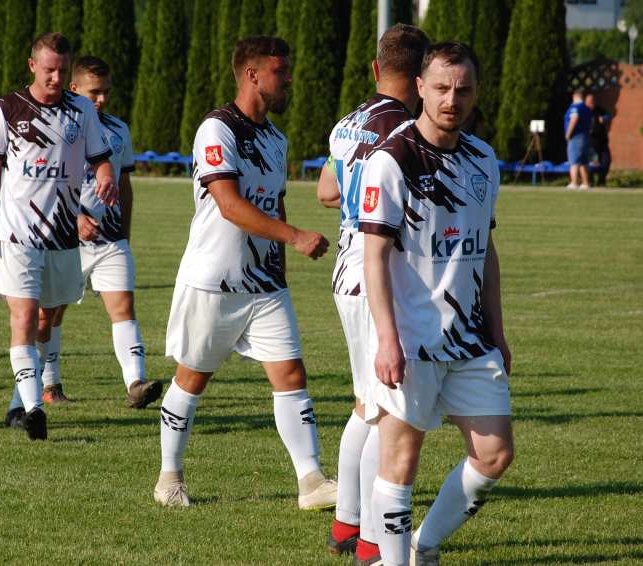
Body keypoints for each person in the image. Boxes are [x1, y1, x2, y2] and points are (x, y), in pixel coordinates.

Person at [154, 36, 337, 510]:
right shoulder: (217, 129)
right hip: (214, 278)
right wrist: (295, 237)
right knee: (193, 378)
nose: (289, 78)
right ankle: (169, 479)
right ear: (253, 75)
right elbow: (231, 206)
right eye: (281, 70)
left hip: (265, 283)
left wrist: (279, 260)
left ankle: (312, 481)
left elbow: (269, 204)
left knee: (291, 373)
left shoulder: (276, 139)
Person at [357, 42, 513, 566]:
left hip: (470, 338)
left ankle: (424, 547)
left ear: (475, 93)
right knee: (400, 461)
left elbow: (483, 249)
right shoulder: (391, 160)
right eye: (442, 88)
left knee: (494, 455)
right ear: (420, 87)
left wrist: (498, 329)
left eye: (463, 90)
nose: (452, 99)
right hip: (412, 337)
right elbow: (372, 256)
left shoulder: (482, 159)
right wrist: (386, 339)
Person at [316, 24, 430, 564]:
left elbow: (326, 190)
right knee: (383, 412)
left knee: (366, 404)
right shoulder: (410, 128)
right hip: (380, 275)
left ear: (374, 67)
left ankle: (346, 525)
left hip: (346, 270)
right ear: (424, 72)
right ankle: (368, 543)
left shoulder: (347, 123)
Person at [0, 32, 117, 441]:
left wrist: (105, 175)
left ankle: (18, 404)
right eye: (48, 68)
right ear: (32, 65)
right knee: (23, 318)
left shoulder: (82, 111)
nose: (55, 77)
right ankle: (36, 409)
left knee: (47, 320)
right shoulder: (7, 109)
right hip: (18, 233)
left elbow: (101, 159)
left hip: (62, 236)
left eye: (62, 70)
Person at [35, 55, 163, 409]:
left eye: (106, 92)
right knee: (50, 313)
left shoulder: (119, 130)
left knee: (123, 306)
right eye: (94, 92)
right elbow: (45, 183)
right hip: (63, 238)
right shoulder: (56, 127)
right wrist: (74, 218)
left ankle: (135, 383)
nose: (102, 99)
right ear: (74, 88)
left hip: (110, 241)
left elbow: (124, 182)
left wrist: (126, 231)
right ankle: (49, 383)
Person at [564, 90, 592, 190]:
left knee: (574, 159)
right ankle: (585, 183)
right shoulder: (587, 108)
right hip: (585, 136)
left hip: (576, 136)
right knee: (583, 161)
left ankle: (574, 182)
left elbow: (574, 119)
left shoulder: (575, 107)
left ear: (574, 96)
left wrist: (568, 134)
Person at [585, 93, 611, 187]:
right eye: (589, 102)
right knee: (593, 164)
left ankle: (601, 180)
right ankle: (590, 180)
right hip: (591, 144)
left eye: (592, 102)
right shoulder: (584, 111)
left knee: (606, 161)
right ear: (585, 102)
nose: (591, 104)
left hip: (602, 142)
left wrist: (604, 118)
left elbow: (608, 116)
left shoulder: (599, 110)